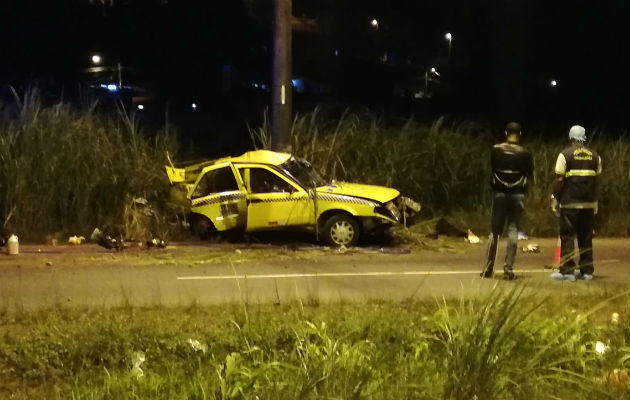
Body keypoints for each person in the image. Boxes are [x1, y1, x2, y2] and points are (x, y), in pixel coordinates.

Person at [481, 122, 534, 280]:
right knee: (513, 230)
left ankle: (488, 269)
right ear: (520, 134)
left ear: (506, 132)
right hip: (517, 194)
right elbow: (529, 174)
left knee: (495, 232)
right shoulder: (525, 153)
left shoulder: (496, 150)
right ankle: (508, 269)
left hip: (499, 193)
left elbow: (492, 169)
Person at [550, 125, 601, 281]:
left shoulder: (565, 155)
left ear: (570, 137)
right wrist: (595, 201)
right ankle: (587, 272)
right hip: (588, 204)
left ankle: (567, 271)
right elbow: (597, 182)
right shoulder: (595, 156)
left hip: (570, 203)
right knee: (585, 237)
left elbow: (559, 180)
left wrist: (555, 198)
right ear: (584, 138)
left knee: (567, 236)